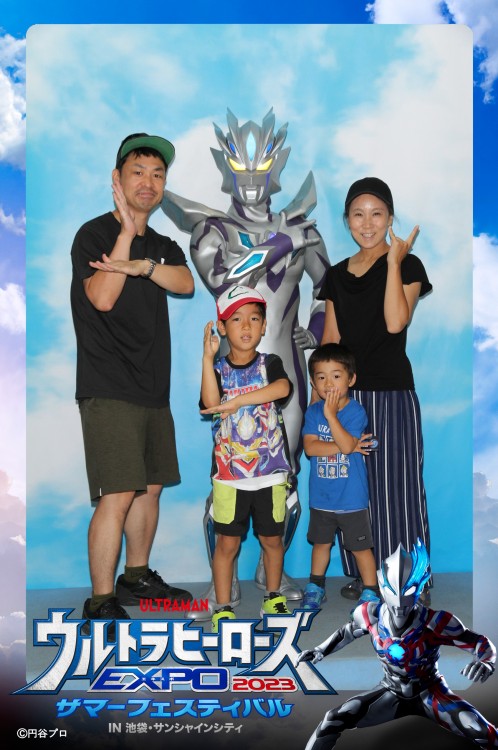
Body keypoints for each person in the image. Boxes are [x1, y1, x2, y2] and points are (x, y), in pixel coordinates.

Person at [162, 109, 331, 613]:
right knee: (228, 474)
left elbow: (329, 290)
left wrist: (315, 331)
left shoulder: (303, 229)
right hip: (232, 373)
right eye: (241, 169)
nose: (252, 180)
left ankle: (269, 573)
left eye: (261, 169)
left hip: (287, 372)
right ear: (226, 169)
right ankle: (224, 582)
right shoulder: (211, 230)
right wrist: (282, 242)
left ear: (276, 168)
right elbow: (226, 278)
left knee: (285, 474)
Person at [70, 132, 195, 635]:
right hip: (107, 386)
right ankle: (100, 600)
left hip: (153, 388)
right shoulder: (93, 234)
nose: (148, 182)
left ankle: (135, 577)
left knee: (150, 489)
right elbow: (101, 298)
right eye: (138, 172)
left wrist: (142, 264)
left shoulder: (162, 245)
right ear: (117, 179)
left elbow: (185, 282)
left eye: (157, 174)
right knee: (118, 493)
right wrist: (124, 237)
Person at [319, 177, 432, 602]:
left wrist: (394, 262)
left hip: (392, 394)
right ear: (347, 219)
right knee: (352, 490)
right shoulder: (335, 275)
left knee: (398, 488)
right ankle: (366, 577)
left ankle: (408, 579)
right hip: (345, 397)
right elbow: (330, 340)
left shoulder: (409, 265)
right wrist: (320, 403)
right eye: (358, 215)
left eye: (377, 214)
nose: (367, 224)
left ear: (390, 218)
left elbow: (395, 322)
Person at [296, 540, 497, 748]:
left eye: (407, 592)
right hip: (391, 692)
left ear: (419, 587)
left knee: (481, 730)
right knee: (333, 719)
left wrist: (486, 661)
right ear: (383, 587)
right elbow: (346, 632)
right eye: (393, 591)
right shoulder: (370, 614)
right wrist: (320, 650)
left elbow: (479, 642)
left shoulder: (435, 622)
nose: (400, 603)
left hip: (430, 693)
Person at [200, 284, 293, 632]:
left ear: (264, 326)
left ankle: (273, 596)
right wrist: (207, 360)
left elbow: (283, 388)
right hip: (229, 477)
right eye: (236, 319)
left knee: (272, 540)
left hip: (270, 475)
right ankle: (223, 606)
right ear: (222, 328)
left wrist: (239, 401)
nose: (246, 326)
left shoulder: (270, 364)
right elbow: (211, 403)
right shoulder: (218, 370)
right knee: (227, 543)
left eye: (254, 319)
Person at [302, 343, 379, 612]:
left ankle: (371, 590)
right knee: (320, 544)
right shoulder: (312, 412)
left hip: (351, 498)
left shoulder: (355, 411)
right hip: (321, 497)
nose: (329, 383)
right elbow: (311, 448)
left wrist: (331, 416)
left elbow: (347, 446)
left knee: (360, 548)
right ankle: (315, 586)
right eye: (321, 377)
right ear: (313, 383)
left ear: (351, 379)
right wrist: (347, 445)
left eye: (336, 376)